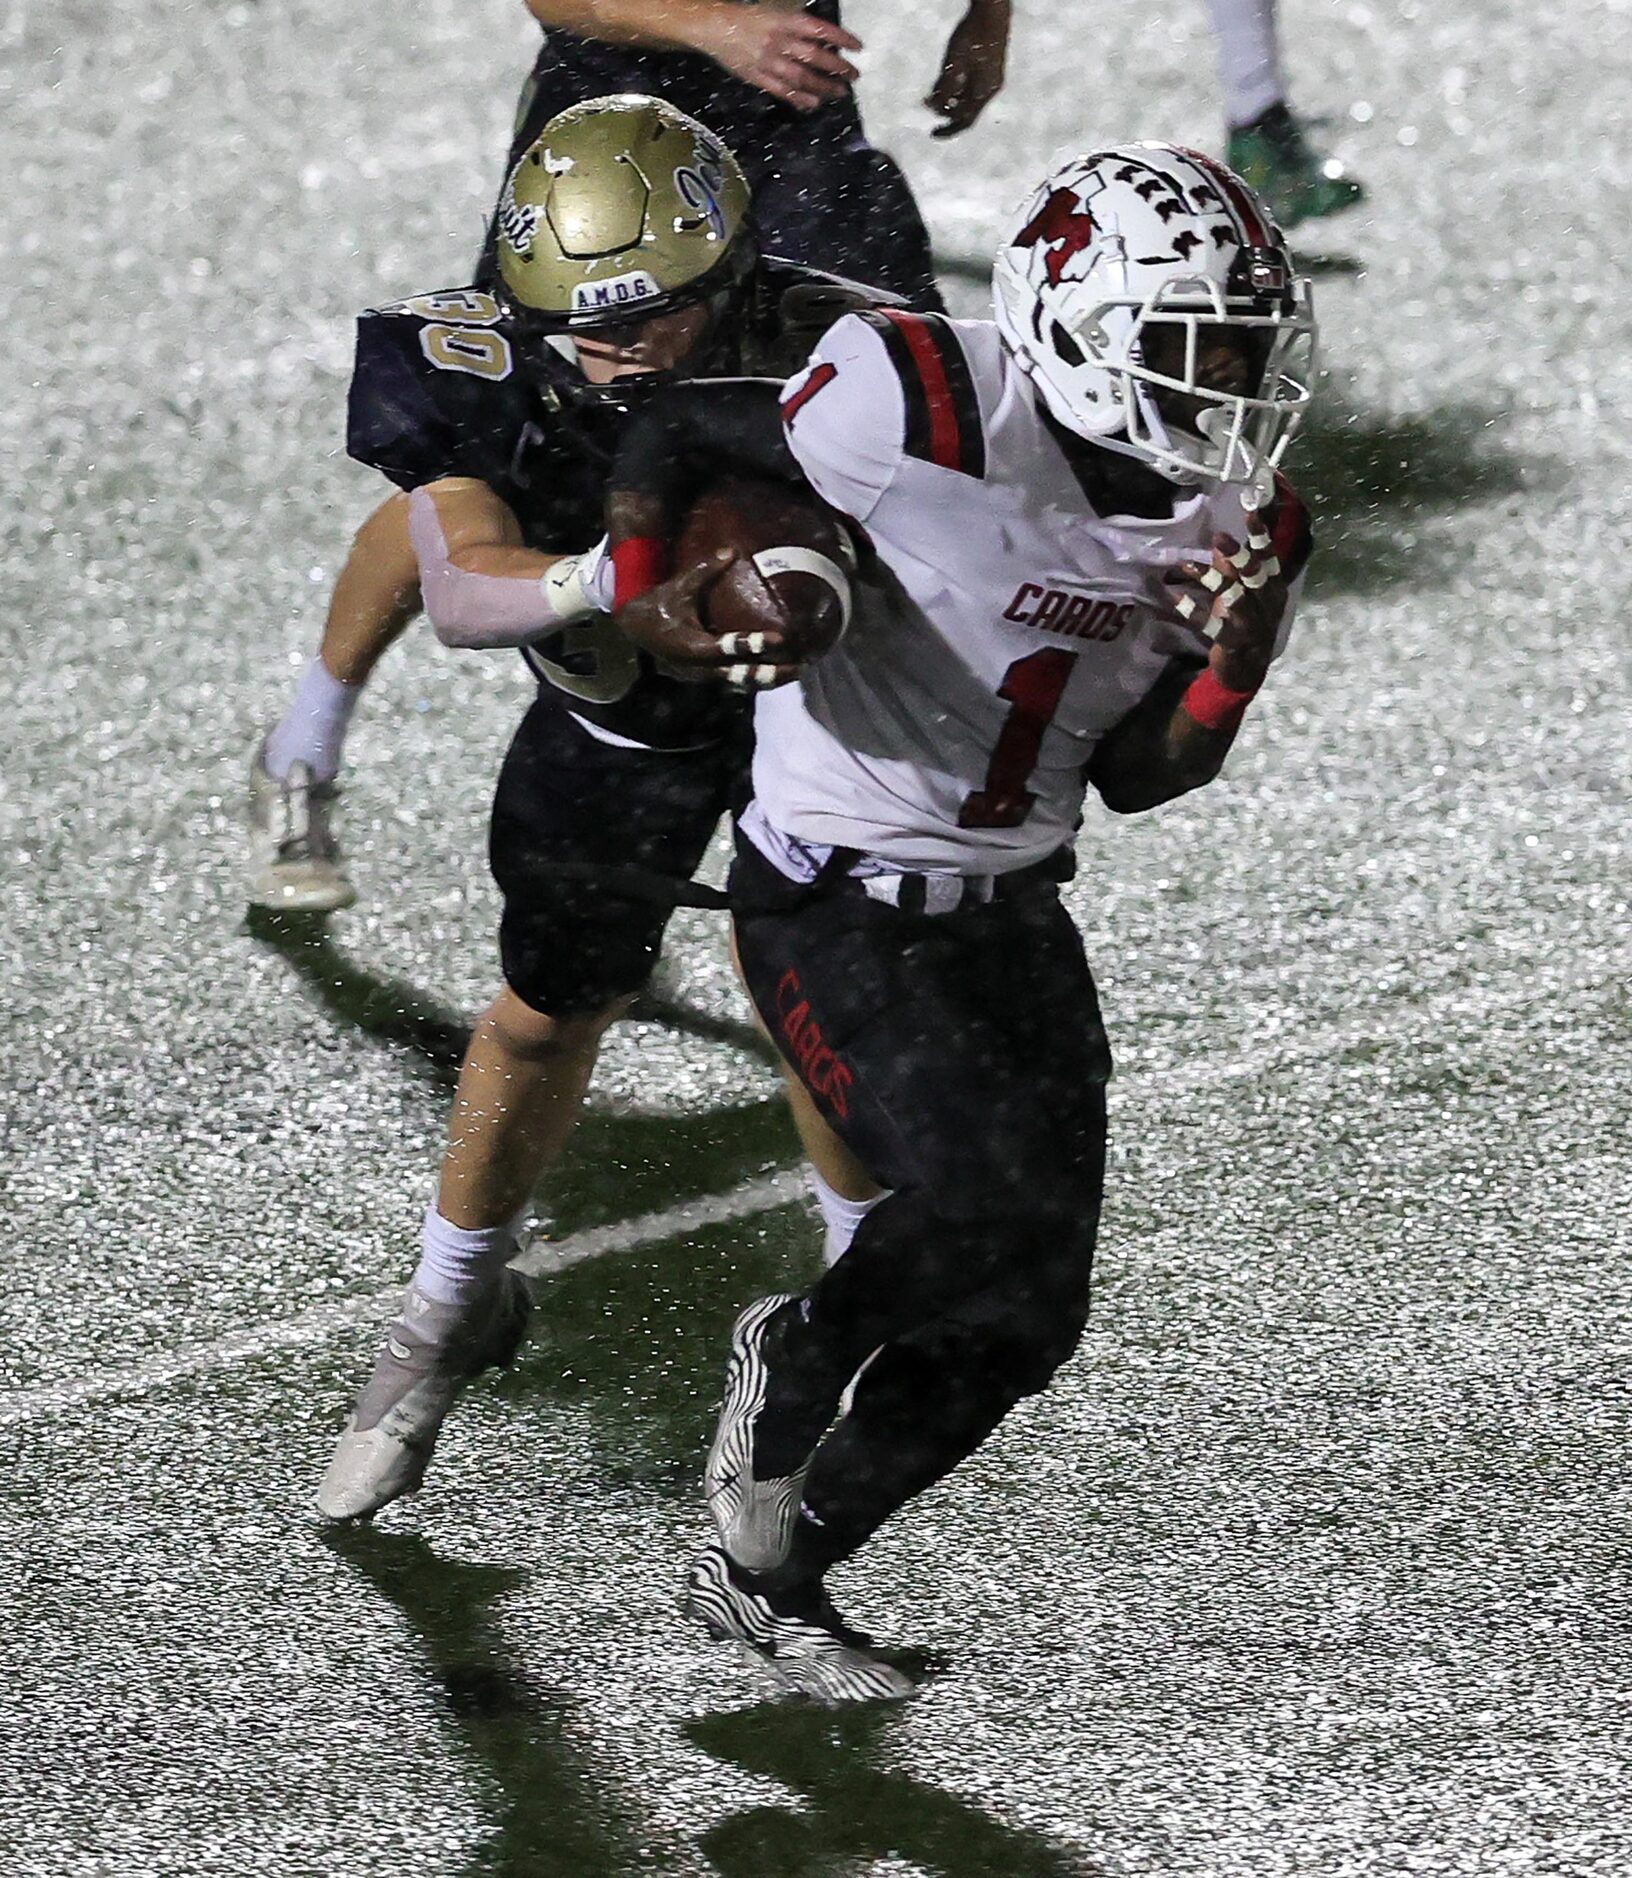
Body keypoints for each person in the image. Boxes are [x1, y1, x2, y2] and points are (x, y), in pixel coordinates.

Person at [602, 142, 1318, 1702]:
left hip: (1014, 907)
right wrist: (668, 602)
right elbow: (673, 421)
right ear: (1069, 319)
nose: (1231, 390)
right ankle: (792, 1351)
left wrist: (1232, 666)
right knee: (973, 1195)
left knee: (1034, 1312)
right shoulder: (911, 398)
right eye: (1198, 348)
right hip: (833, 885)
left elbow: (1139, 777)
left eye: (1250, 351)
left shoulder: (1243, 522)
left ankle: (772, 1570)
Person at [315, 96, 893, 1523]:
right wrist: (611, 582)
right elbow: (459, 586)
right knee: (540, 1012)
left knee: (806, 1009)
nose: (603, 347)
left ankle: (864, 1314)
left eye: (645, 317)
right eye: (573, 316)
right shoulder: (475, 357)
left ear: (731, 268)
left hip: (805, 728)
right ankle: (447, 1308)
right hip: (609, 731)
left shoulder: (846, 335)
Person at [247, 0, 952, 912]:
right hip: (610, 144)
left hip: (793, 134)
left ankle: (785, 771)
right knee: (509, 467)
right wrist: (710, 27)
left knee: (849, 436)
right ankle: (306, 742)